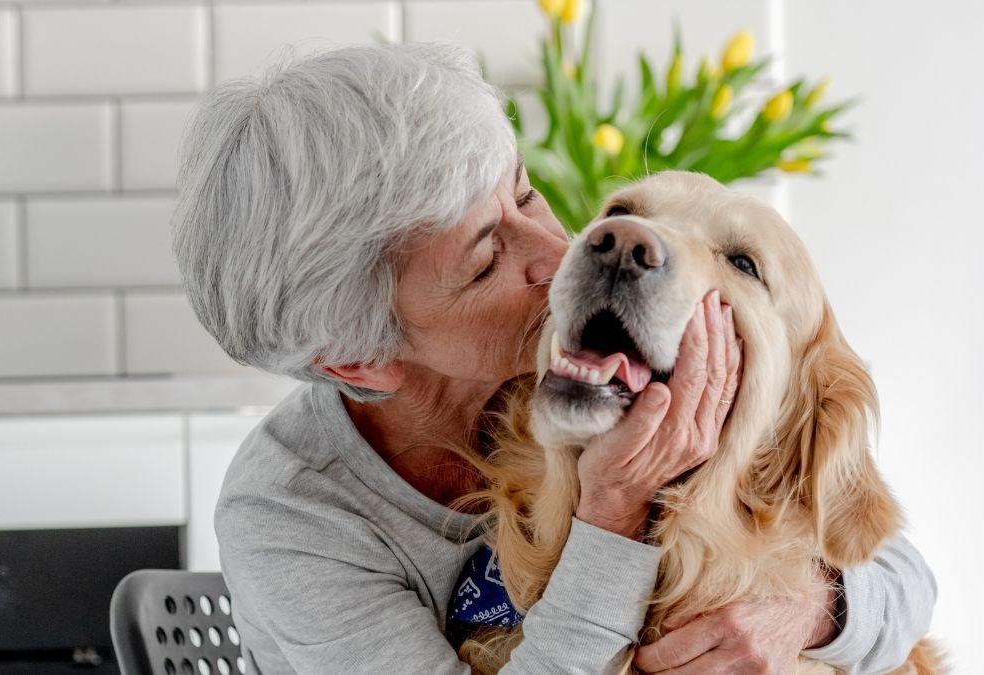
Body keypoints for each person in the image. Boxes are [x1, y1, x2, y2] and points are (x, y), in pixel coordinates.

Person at [172, 42, 936, 674]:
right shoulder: (292, 517)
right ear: (360, 361)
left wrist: (808, 607)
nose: (559, 251)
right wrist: (610, 514)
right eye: (483, 261)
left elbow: (893, 568)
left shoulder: (580, 364)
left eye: (527, 194)